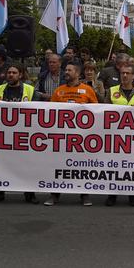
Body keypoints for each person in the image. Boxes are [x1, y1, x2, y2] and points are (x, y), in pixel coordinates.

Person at [44, 63, 98, 207]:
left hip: (82, 138)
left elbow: (97, 112)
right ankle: (54, 195)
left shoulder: (88, 90)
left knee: (82, 167)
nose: (66, 72)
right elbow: (51, 112)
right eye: (66, 70)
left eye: (69, 70)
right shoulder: (58, 91)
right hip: (62, 138)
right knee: (58, 166)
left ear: (77, 73)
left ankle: (84, 195)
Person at [0, 63, 38, 205]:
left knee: (26, 165)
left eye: (14, 73)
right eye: (9, 72)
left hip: (23, 135)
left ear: (20, 75)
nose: (10, 75)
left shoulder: (31, 90)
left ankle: (29, 194)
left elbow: (39, 110)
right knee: (0, 164)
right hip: (3, 134)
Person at [107, 65, 134, 207]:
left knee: (133, 167)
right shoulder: (111, 92)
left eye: (127, 73)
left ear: (133, 76)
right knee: (115, 167)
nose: (124, 76)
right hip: (115, 137)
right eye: (122, 73)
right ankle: (112, 195)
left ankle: (133, 195)